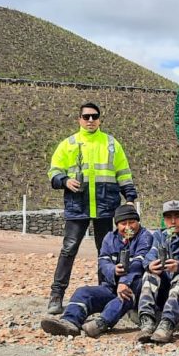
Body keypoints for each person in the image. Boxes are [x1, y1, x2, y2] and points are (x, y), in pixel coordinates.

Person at [45, 102, 138, 314]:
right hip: (78, 206)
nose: (90, 120)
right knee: (68, 250)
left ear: (99, 119)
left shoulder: (111, 144)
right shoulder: (68, 144)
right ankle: (56, 295)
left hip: (106, 207)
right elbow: (53, 172)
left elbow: (123, 173)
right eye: (86, 116)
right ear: (79, 119)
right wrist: (65, 181)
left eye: (94, 116)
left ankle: (105, 295)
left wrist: (130, 198)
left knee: (106, 253)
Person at [40, 204, 153, 337]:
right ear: (117, 224)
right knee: (83, 293)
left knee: (127, 292)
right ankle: (70, 322)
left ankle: (102, 322)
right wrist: (113, 270)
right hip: (111, 287)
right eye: (123, 223)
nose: (128, 227)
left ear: (138, 222)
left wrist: (124, 282)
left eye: (132, 222)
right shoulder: (110, 238)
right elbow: (103, 262)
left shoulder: (145, 237)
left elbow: (138, 263)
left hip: (134, 287)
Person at [136, 200, 179, 343]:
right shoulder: (160, 235)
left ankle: (167, 323)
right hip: (163, 287)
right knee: (149, 274)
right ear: (164, 220)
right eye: (169, 217)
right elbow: (150, 254)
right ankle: (147, 321)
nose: (173, 221)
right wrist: (150, 264)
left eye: (177, 216)